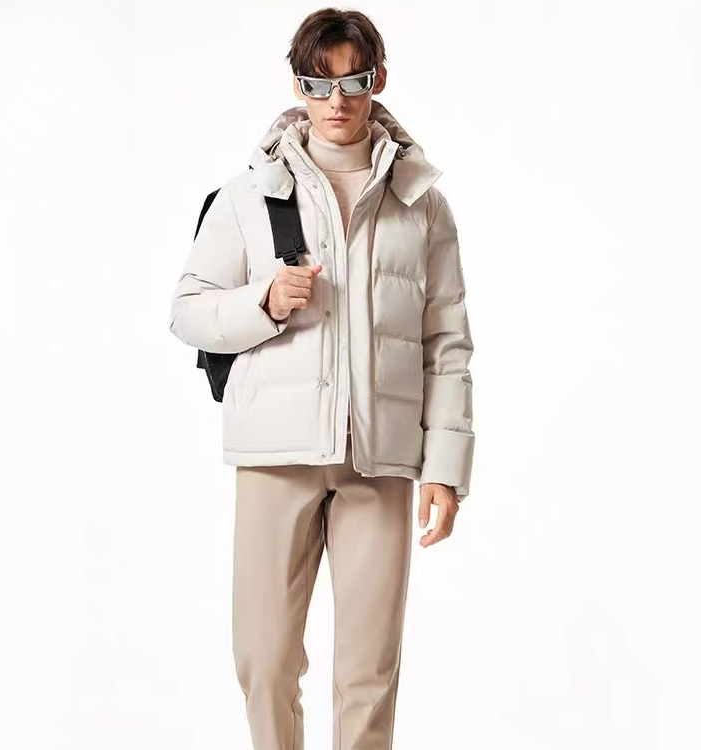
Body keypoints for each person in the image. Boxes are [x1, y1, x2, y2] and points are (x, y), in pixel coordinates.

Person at [169, 8, 475, 749]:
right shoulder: (249, 195)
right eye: (317, 83)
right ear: (297, 87)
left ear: (378, 79)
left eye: (352, 81)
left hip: (381, 457)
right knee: (264, 659)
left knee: (370, 670)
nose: (336, 101)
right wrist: (265, 302)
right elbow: (188, 311)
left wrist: (446, 468)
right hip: (276, 457)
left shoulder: (421, 203)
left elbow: (447, 343)